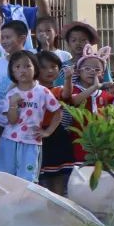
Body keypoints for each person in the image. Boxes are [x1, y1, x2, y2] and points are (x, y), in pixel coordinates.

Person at [0, 50, 61, 183]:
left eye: (27, 66)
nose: (22, 70)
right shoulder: (11, 94)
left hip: (31, 142)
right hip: (9, 141)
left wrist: (48, 131)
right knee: (4, 179)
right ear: (12, 71)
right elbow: (12, 120)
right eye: (17, 67)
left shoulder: (43, 91)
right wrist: (13, 104)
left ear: (35, 68)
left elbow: (58, 112)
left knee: (27, 181)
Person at [62, 45, 114, 163]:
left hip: (101, 138)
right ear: (78, 72)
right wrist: (94, 87)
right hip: (80, 137)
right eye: (87, 69)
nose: (92, 72)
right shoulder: (75, 89)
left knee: (100, 166)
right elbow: (74, 101)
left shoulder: (103, 94)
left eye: (97, 70)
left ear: (102, 74)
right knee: (81, 166)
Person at [0, 19, 29, 150]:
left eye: (8, 37)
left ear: (22, 38)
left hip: (26, 122)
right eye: (2, 38)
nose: (4, 41)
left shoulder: (32, 62)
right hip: (0, 123)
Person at [36, 50, 77, 195]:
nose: (49, 71)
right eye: (43, 67)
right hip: (36, 135)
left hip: (56, 136)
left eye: (53, 67)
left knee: (58, 176)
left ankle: (57, 205)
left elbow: (66, 95)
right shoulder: (31, 90)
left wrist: (68, 78)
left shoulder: (57, 90)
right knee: (40, 179)